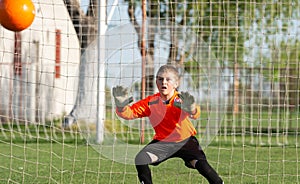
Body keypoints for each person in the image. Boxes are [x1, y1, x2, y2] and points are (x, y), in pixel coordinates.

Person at [112, 65, 223, 184]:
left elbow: (194, 114)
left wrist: (192, 108)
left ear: (176, 84)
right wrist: (121, 106)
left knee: (203, 166)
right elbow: (130, 113)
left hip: (185, 141)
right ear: (156, 82)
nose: (163, 82)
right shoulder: (151, 102)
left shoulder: (181, 100)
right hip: (163, 143)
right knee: (141, 159)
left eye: (168, 79)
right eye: (160, 79)